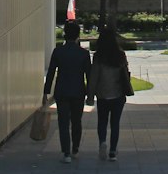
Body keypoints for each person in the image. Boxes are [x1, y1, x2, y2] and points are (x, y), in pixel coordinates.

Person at [43, 18, 92, 162]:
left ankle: (66, 152)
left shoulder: (58, 52)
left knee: (63, 122)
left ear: (64, 34)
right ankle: (75, 149)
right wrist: (90, 94)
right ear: (78, 35)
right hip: (78, 91)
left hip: (62, 90)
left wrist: (46, 91)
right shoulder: (83, 53)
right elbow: (89, 75)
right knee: (77, 121)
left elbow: (51, 72)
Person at [89, 25, 130, 160]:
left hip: (102, 94)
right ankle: (113, 151)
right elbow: (125, 74)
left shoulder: (98, 57)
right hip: (118, 93)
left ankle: (102, 142)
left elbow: (94, 77)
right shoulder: (120, 55)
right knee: (115, 123)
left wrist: (90, 95)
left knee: (102, 120)